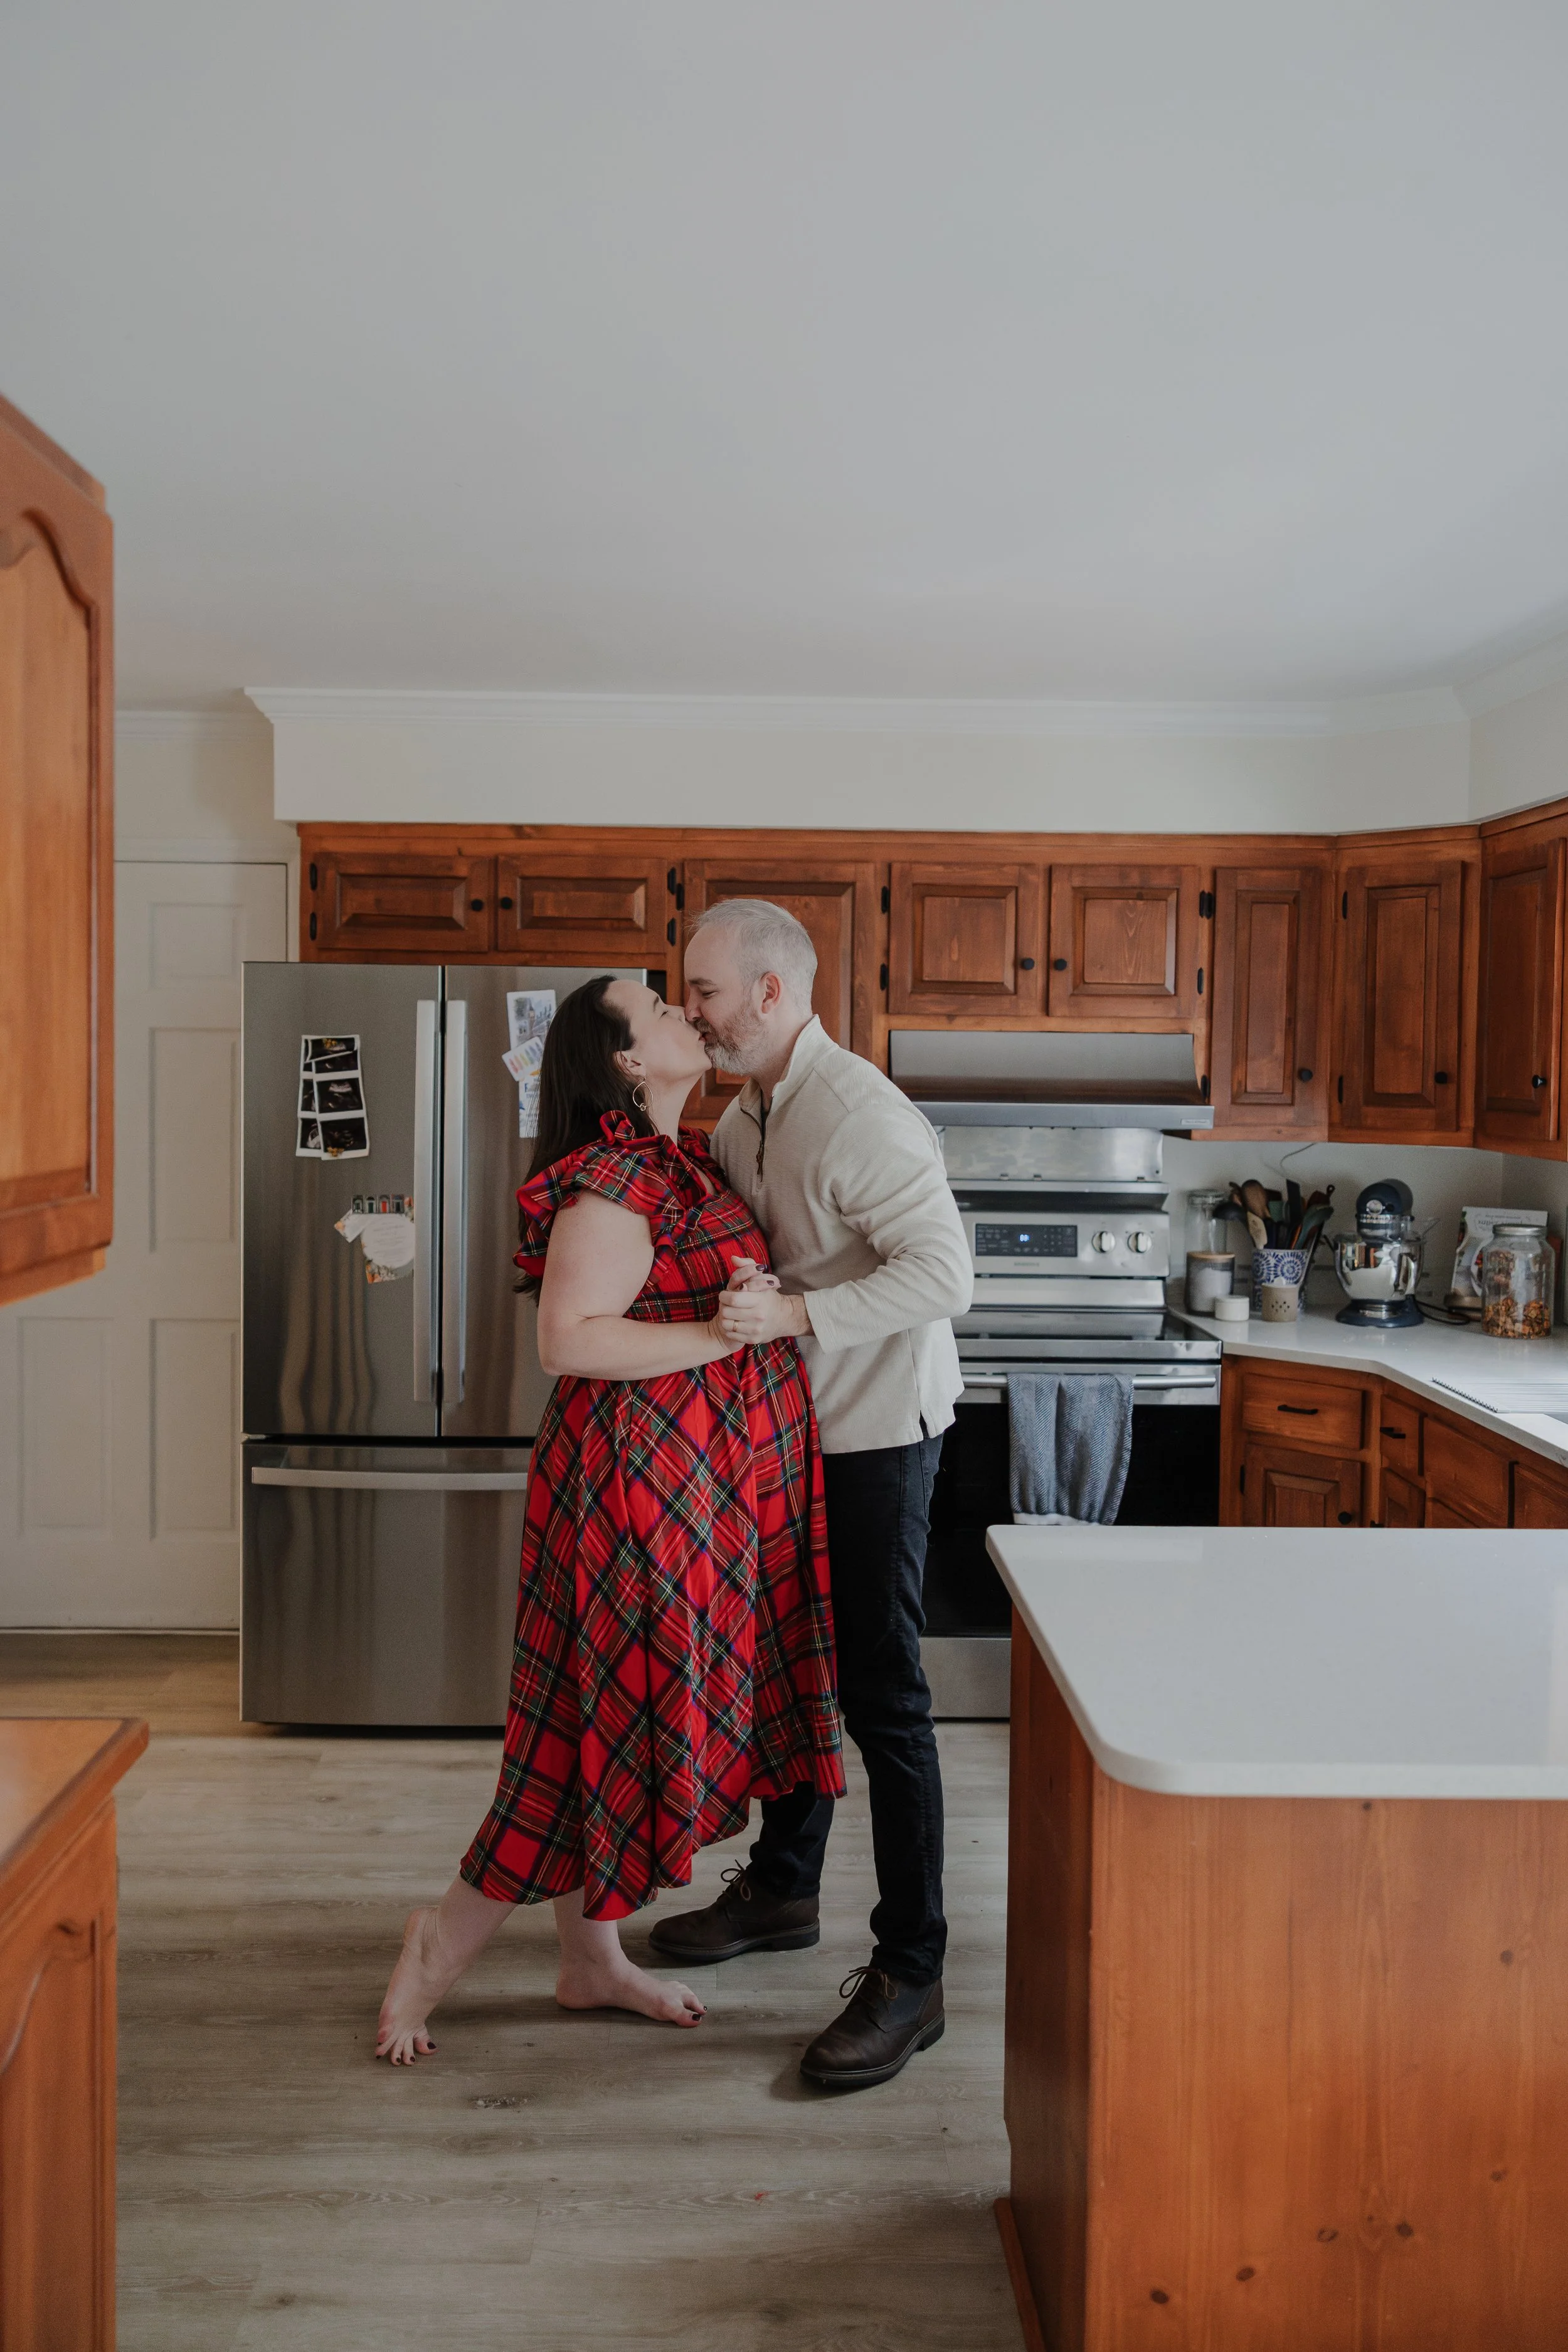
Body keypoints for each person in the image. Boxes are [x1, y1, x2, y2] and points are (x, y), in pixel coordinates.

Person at [376, 975, 844, 2062]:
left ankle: (592, 1961)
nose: (689, 1012)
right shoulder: (614, 1180)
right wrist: (728, 1343)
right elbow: (571, 1340)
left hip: (691, 1493)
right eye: (662, 1010)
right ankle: (435, 1947)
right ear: (628, 1062)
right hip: (636, 1498)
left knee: (609, 1730)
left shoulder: (680, 1156)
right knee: (579, 1740)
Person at [651, 899, 973, 2092]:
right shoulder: (750, 1107)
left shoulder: (857, 1114)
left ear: (773, 993)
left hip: (880, 1432)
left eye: (708, 991)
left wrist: (792, 1312)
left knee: (882, 1694)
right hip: (793, 1432)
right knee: (793, 1660)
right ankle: (787, 1886)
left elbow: (947, 1272)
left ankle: (914, 1969)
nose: (694, 1007)